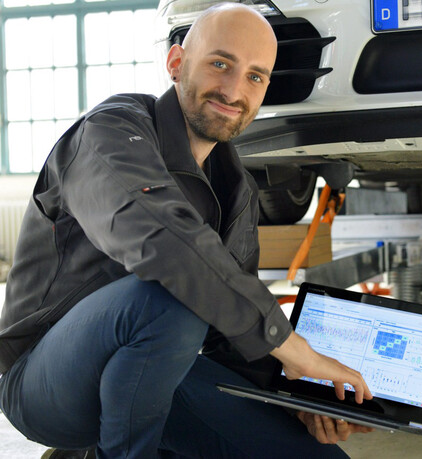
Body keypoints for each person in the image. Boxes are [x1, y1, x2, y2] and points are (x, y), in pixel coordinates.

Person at [0, 4, 373, 458]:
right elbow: (165, 243)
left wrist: (294, 398)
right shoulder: (109, 132)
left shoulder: (236, 189)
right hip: (48, 384)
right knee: (169, 297)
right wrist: (292, 346)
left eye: (255, 76)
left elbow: (230, 332)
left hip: (149, 373)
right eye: (220, 64)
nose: (235, 89)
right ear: (176, 63)